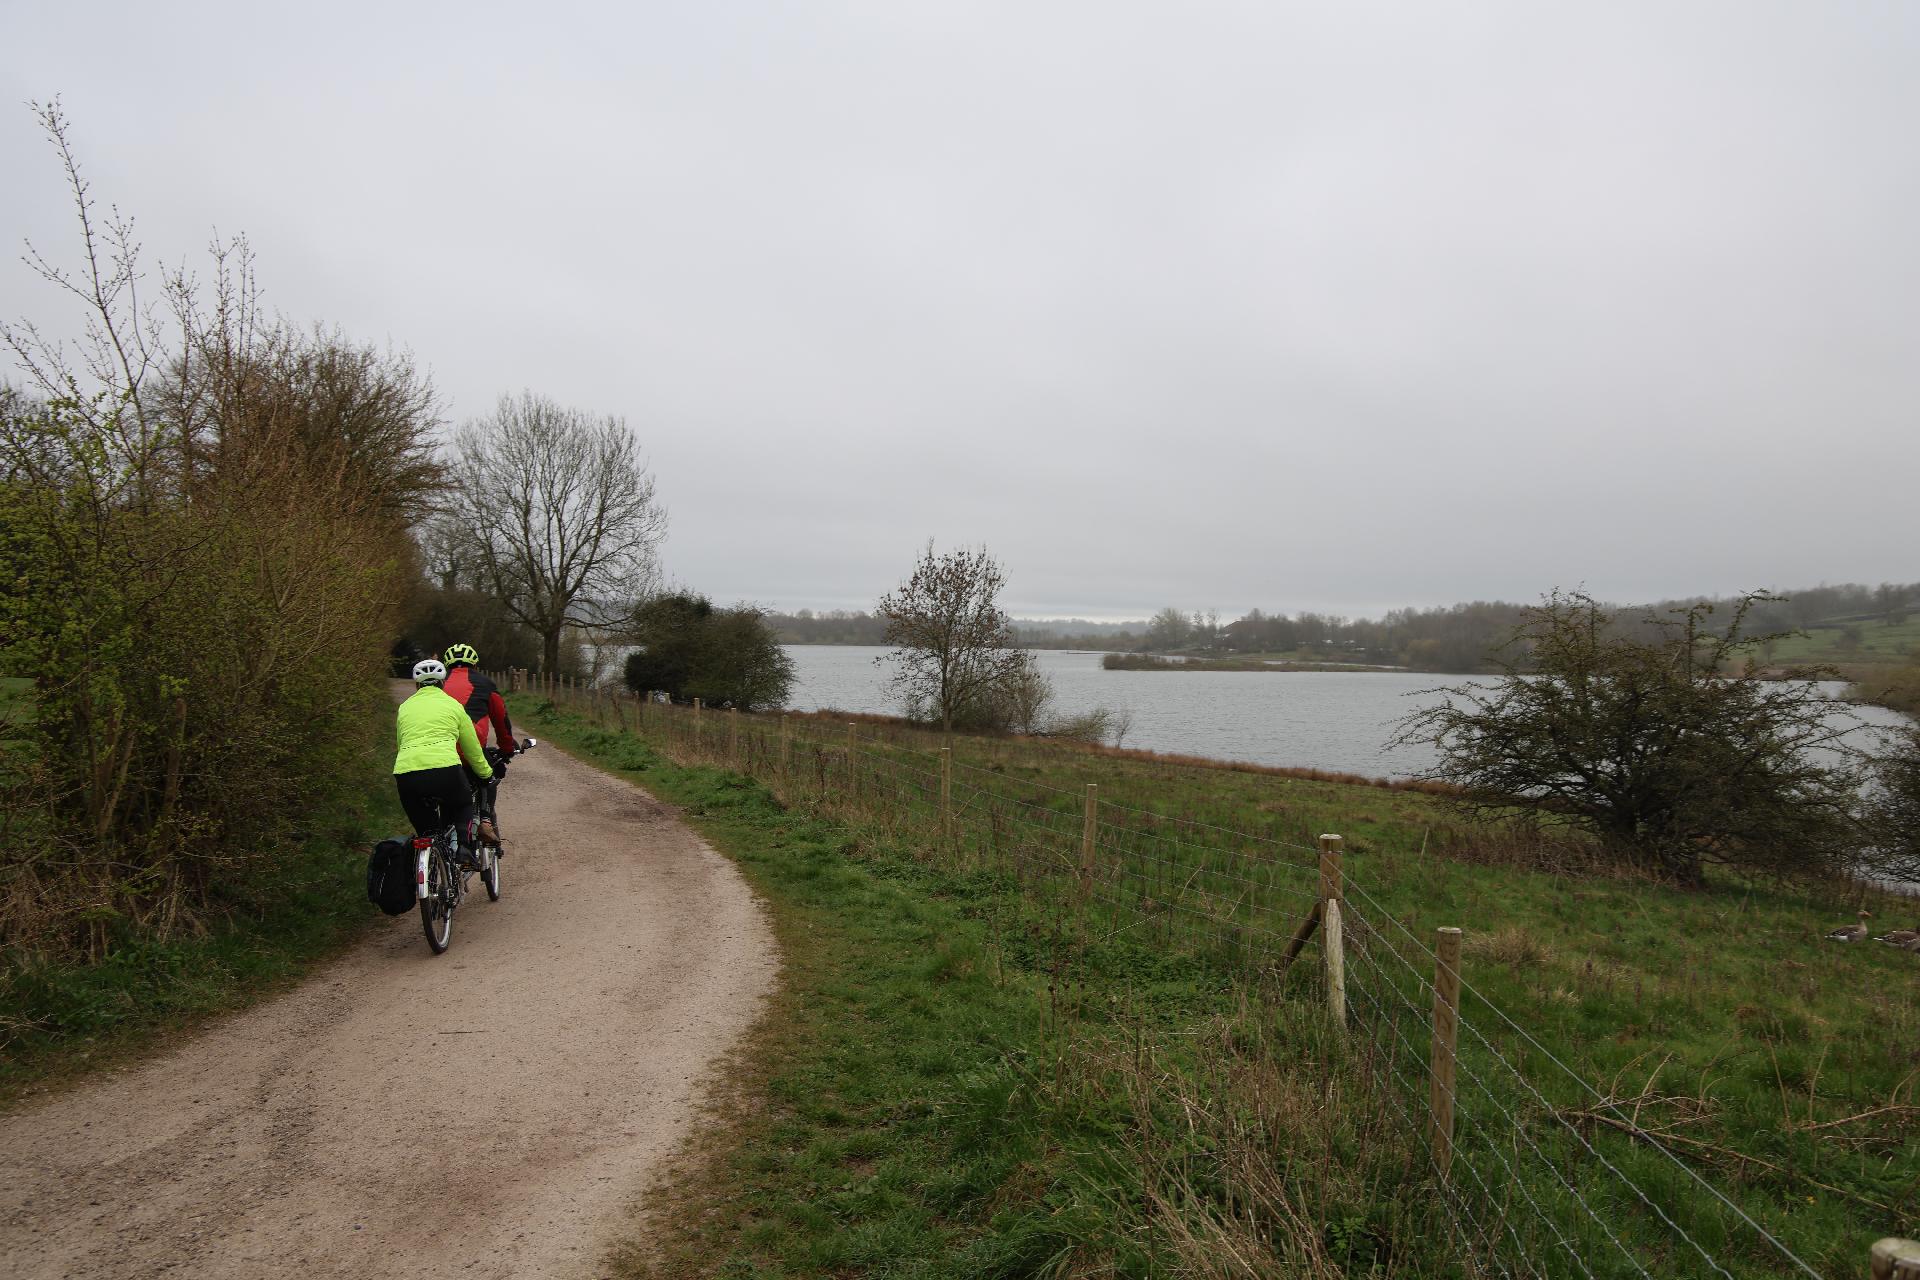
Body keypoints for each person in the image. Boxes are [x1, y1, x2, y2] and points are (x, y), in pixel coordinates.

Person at [394, 658, 495, 862]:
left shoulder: (404, 708)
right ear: (442, 682)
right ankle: (464, 849)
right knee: (463, 803)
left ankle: (429, 869)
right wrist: (486, 773)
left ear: (417, 684)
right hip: (445, 770)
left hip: (406, 774)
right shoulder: (454, 706)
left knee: (429, 833)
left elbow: (400, 744)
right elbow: (472, 748)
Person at [439, 643, 517, 848]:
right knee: (487, 775)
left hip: (441, 751)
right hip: (471, 751)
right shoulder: (486, 684)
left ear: (447, 664)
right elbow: (501, 720)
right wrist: (507, 748)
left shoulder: (439, 684)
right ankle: (485, 821)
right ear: (474, 663)